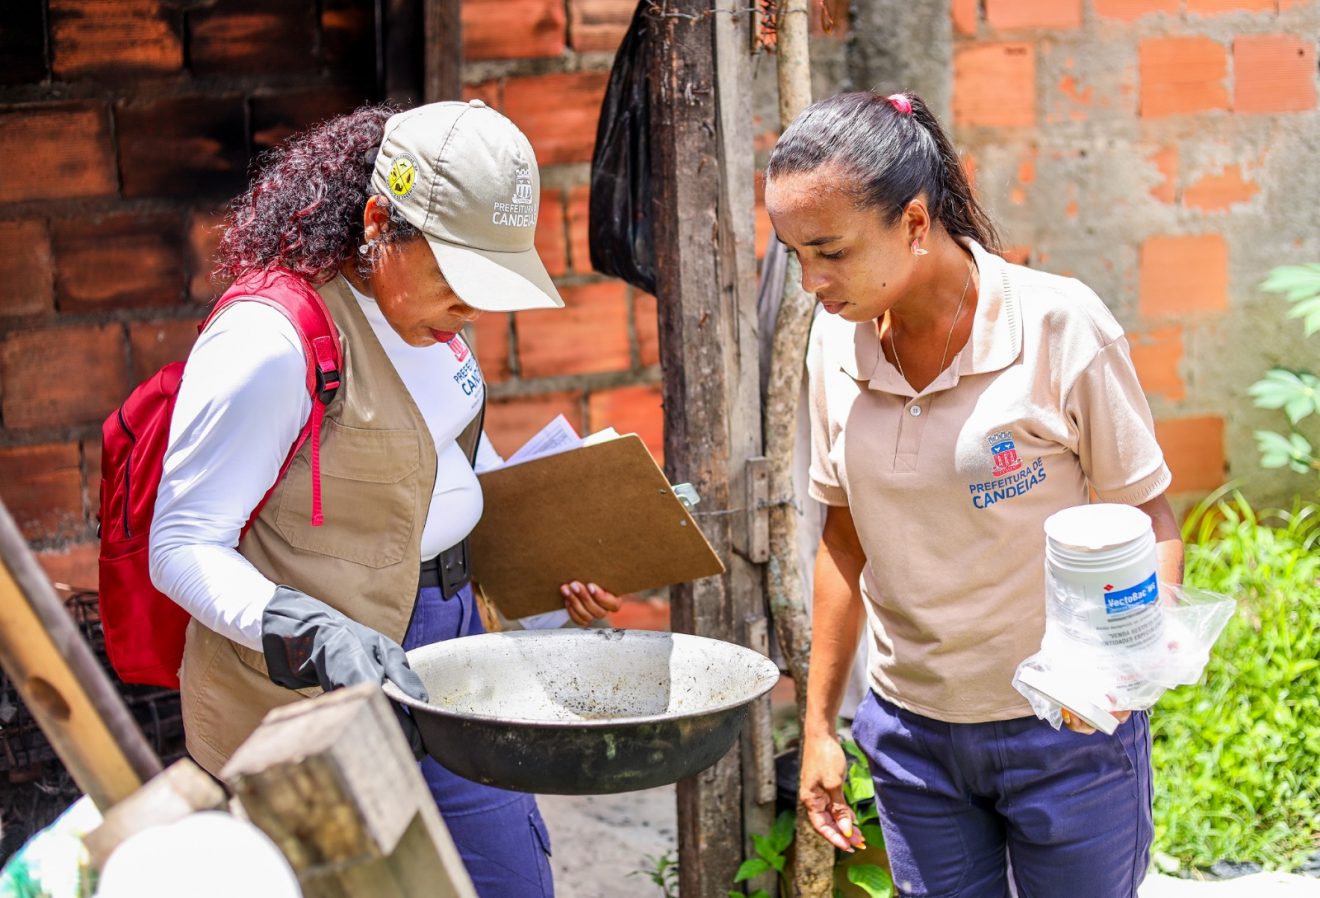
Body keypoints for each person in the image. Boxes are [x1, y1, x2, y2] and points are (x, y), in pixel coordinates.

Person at [148, 100, 622, 898]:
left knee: (508, 879)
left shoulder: (435, 324)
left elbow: (451, 474)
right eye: (457, 276)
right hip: (306, 689)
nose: (474, 307)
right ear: (378, 222)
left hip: (453, 658)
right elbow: (182, 543)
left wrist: (555, 574)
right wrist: (313, 632)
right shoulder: (270, 343)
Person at [765, 91, 1184, 897]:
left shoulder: (1060, 327)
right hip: (913, 743)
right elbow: (843, 544)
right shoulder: (833, 341)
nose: (812, 281)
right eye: (794, 255)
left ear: (915, 224)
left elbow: (1149, 517)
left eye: (831, 251)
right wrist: (820, 727)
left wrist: (1124, 675)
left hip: (1065, 735)